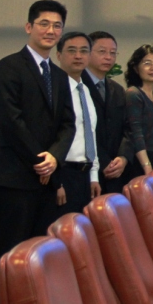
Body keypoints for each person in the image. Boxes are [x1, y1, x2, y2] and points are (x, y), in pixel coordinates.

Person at [0, 0, 76, 304]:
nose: (51, 30)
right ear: (29, 27)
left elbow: (68, 124)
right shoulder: (8, 67)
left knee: (41, 256)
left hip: (47, 180)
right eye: (44, 24)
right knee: (10, 256)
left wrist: (54, 158)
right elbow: (11, 122)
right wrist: (41, 160)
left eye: (57, 26)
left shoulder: (59, 76)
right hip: (15, 178)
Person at [54, 31, 101, 214]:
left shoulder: (85, 91)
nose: (78, 56)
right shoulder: (55, 91)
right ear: (59, 55)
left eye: (84, 51)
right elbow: (49, 137)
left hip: (84, 176)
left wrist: (94, 176)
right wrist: (56, 182)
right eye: (71, 50)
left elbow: (90, 134)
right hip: (63, 173)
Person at [85, 31, 133, 195]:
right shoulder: (77, 86)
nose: (108, 57)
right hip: (88, 171)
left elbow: (128, 127)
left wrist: (123, 157)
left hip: (117, 170)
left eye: (113, 53)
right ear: (88, 52)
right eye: (102, 52)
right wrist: (104, 161)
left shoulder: (117, 89)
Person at [124, 44, 153, 180]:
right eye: (147, 63)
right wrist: (147, 166)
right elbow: (136, 133)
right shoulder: (134, 94)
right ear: (136, 68)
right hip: (141, 161)